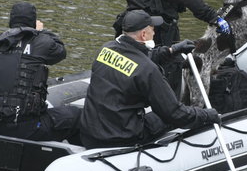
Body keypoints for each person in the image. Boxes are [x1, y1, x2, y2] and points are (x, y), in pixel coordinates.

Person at [80, 10, 220, 149]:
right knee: (164, 118)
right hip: (122, 137)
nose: (154, 33)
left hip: (92, 129)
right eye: (153, 30)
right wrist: (207, 115)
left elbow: (136, 60)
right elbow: (174, 113)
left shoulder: (105, 49)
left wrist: (171, 50)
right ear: (143, 34)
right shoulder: (148, 70)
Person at [0, 2, 83, 144]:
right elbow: (60, 51)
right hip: (26, 128)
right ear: (33, 21)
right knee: (76, 116)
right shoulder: (40, 41)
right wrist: (41, 31)